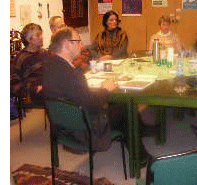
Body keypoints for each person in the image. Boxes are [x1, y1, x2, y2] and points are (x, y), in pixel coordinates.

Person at [43, 27, 152, 162]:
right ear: (66, 44)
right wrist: (106, 89)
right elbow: (92, 105)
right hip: (83, 129)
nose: (81, 45)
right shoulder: (71, 73)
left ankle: (139, 132)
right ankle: (140, 157)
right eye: (77, 41)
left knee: (117, 105)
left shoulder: (49, 65)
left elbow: (77, 96)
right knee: (125, 108)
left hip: (62, 128)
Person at [11, 23, 47, 103]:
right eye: (38, 35)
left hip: (50, 94)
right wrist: (35, 89)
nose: (42, 37)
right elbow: (14, 86)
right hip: (33, 101)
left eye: (41, 34)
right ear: (29, 40)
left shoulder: (45, 53)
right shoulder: (20, 58)